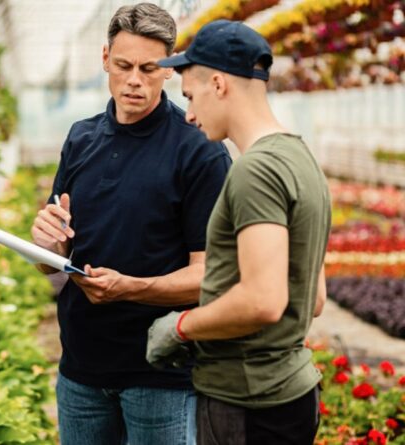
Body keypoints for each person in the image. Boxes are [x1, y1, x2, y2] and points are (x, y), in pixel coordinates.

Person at [30, 4, 231, 444]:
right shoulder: (81, 138)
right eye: (123, 66)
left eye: (149, 68)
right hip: (80, 370)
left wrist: (131, 287)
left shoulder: (198, 150)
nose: (134, 80)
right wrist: (47, 245)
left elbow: (211, 276)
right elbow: (53, 262)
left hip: (160, 375)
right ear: (105, 59)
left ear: (169, 71)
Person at [146, 20, 331, 445]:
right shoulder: (301, 158)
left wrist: (181, 327)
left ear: (218, 83)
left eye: (190, 97)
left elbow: (263, 301)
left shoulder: (255, 171)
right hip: (290, 392)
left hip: (248, 403)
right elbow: (314, 298)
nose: (189, 114)